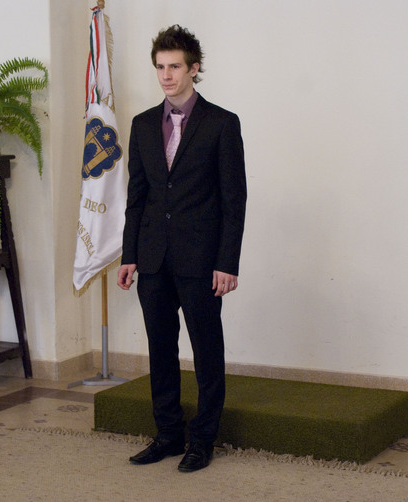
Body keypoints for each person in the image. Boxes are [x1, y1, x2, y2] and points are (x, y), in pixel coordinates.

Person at [117, 24, 247, 473]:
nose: (166, 76)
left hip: (201, 261)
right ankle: (168, 434)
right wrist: (130, 254)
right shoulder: (142, 125)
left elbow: (234, 200)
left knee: (207, 352)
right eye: (160, 67)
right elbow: (136, 196)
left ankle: (203, 440)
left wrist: (227, 262)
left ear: (194, 68)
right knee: (160, 349)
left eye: (174, 67)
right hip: (152, 258)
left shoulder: (222, 124)